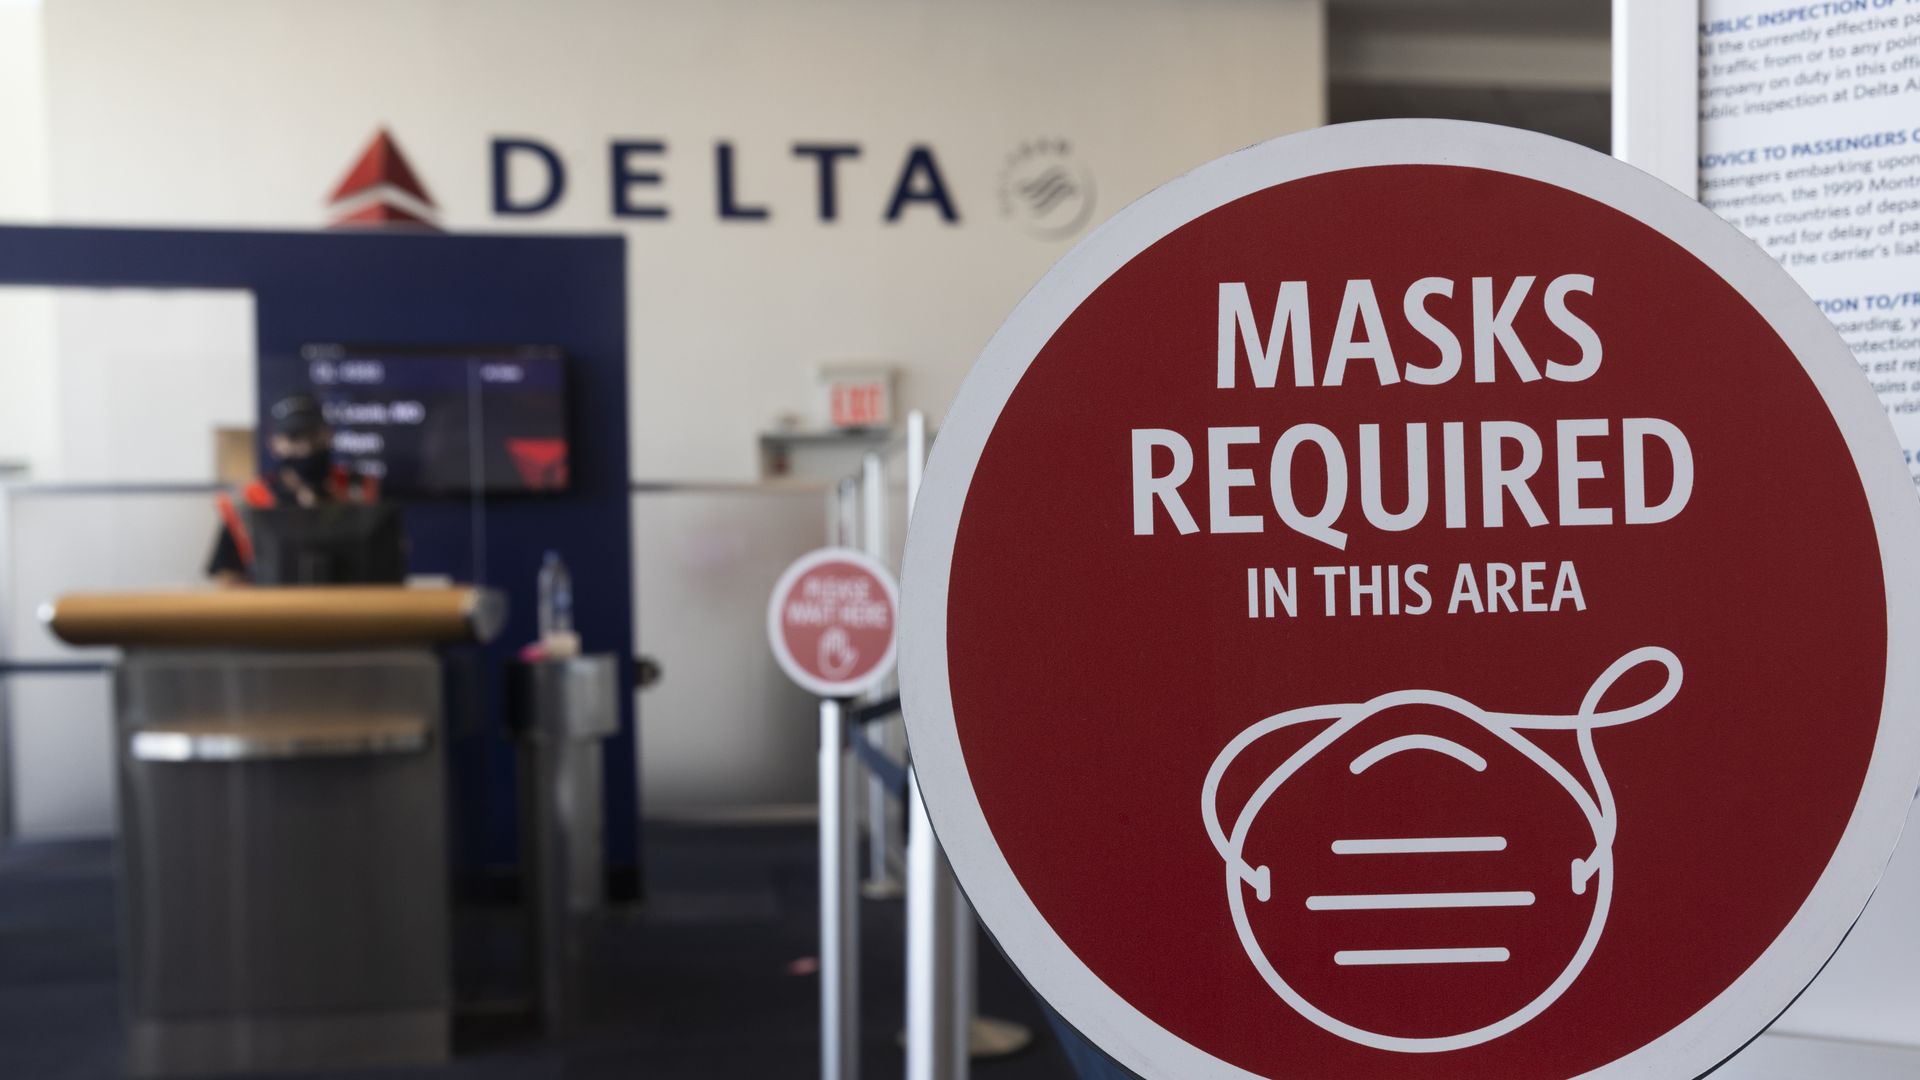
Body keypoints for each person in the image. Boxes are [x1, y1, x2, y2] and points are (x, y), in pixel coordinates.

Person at [206, 393, 379, 583]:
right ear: (274, 443)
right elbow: (228, 581)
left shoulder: (360, 490)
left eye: (313, 435)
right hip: (272, 608)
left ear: (329, 435)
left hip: (350, 607)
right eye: (294, 436)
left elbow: (385, 569)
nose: (306, 447)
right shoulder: (247, 501)